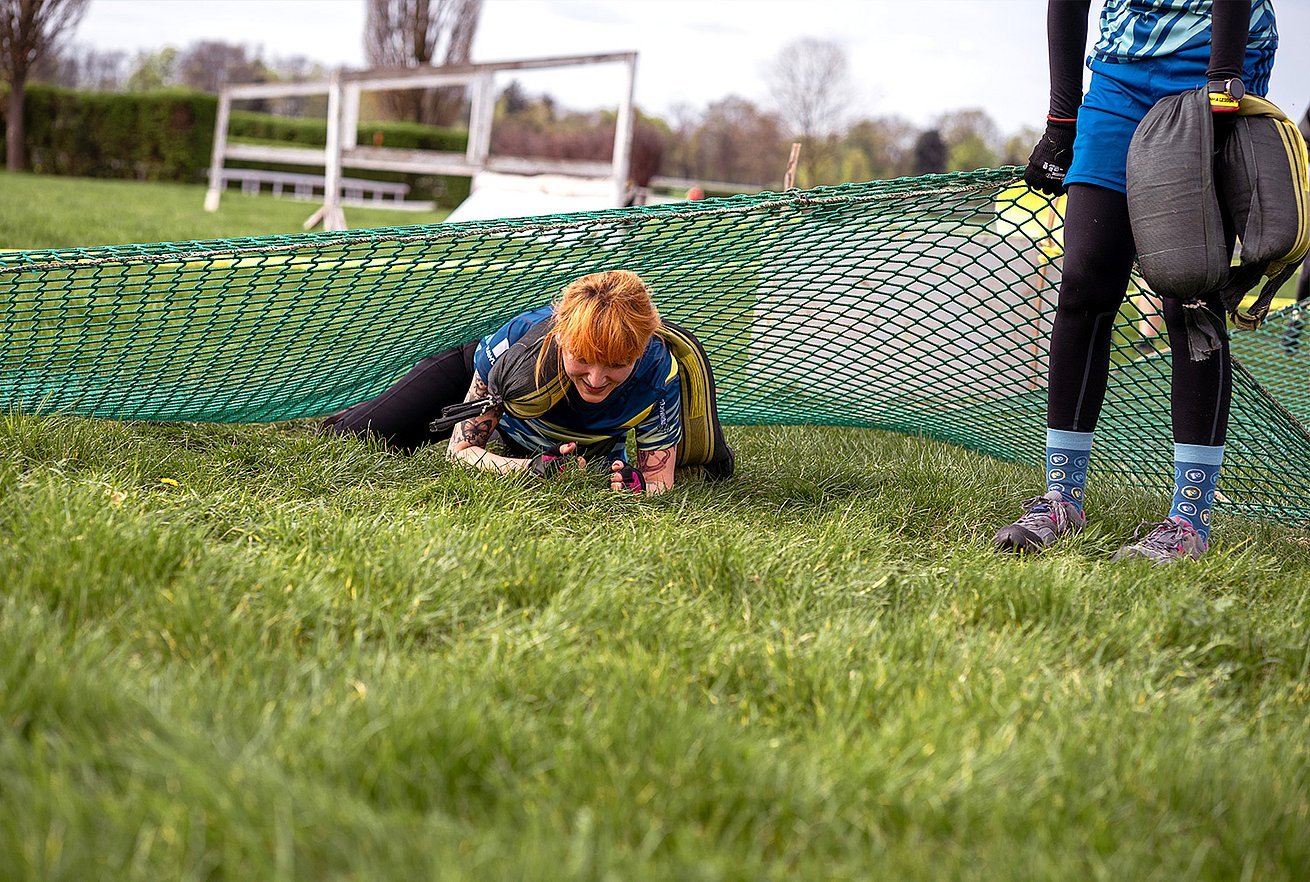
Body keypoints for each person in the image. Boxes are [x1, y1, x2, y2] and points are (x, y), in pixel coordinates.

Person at [994, 0, 1278, 563]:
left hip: (1212, 64)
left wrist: (1224, 80)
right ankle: (1061, 499)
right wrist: (1060, 119)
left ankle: (1188, 522)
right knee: (1083, 282)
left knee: (1188, 290)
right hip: (1120, 71)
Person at [326, 270, 727, 495]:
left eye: (617, 365)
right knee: (360, 435)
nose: (596, 378)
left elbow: (660, 481)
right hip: (476, 381)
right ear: (561, 338)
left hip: (542, 434)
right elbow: (461, 451)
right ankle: (346, 412)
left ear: (639, 352)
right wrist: (527, 469)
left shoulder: (659, 373)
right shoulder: (522, 341)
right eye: (582, 359)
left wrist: (635, 483)